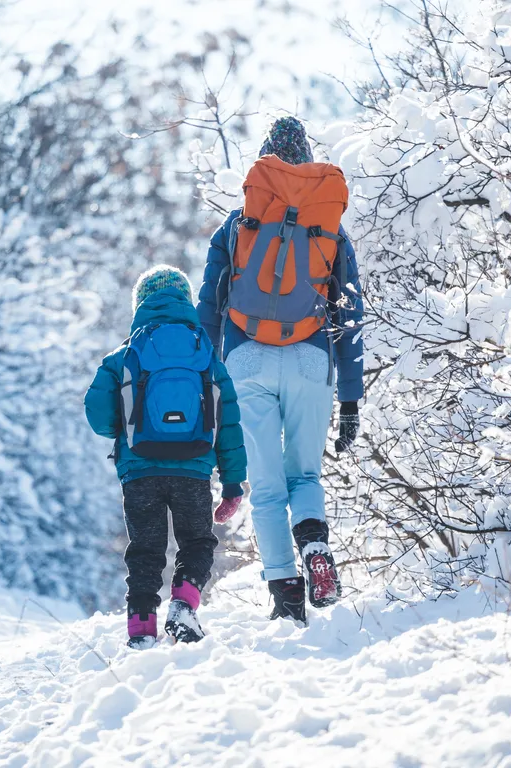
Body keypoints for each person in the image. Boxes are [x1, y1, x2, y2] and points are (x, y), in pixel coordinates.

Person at [197, 116, 364, 623]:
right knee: (305, 474)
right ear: (309, 162)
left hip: (246, 359)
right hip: (312, 359)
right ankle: (314, 546)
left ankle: (287, 598)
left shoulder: (236, 224)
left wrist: (208, 387)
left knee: (266, 488)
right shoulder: (329, 227)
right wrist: (351, 397)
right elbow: (351, 313)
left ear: (265, 162)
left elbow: (208, 306)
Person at [84, 266, 247, 649]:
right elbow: (229, 423)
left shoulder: (124, 355)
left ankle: (141, 629)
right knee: (197, 542)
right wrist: (233, 483)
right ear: (185, 301)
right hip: (194, 467)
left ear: (140, 303)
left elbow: (95, 412)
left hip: (140, 469)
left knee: (145, 550)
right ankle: (183, 604)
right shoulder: (205, 353)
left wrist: (126, 426)